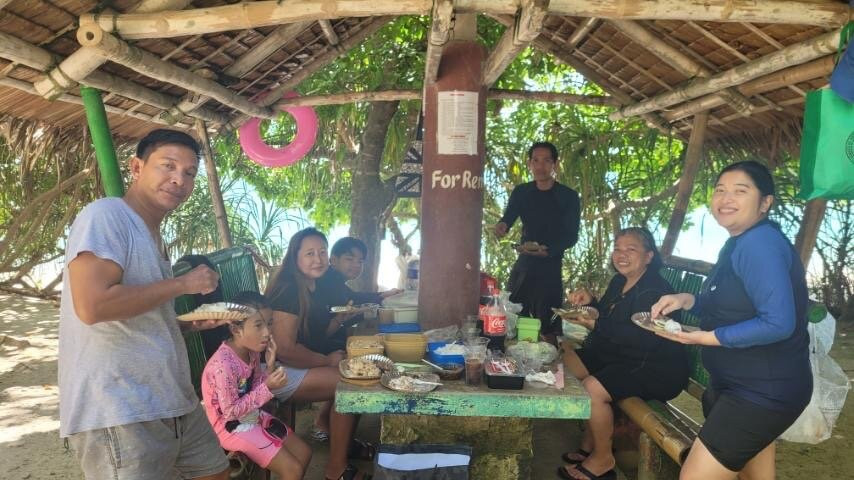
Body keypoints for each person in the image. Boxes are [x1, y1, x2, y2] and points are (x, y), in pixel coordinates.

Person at [59, 129, 231, 479]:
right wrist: (183, 283)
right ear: (137, 168)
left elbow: (132, 315)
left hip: (173, 400)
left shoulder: (152, 235)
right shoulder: (106, 216)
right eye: (167, 165)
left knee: (215, 471)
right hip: (121, 408)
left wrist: (183, 325)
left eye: (189, 172)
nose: (178, 179)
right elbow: (93, 306)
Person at [651, 161, 811, 480]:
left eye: (741, 191)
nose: (726, 198)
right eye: (720, 190)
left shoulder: (760, 244)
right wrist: (687, 300)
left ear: (765, 203)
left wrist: (704, 338)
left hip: (762, 392)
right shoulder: (738, 242)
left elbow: (778, 323)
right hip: (738, 384)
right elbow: (727, 304)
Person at [558, 227, 689, 480]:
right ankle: (591, 439)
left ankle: (603, 459)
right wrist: (591, 303)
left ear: (649, 256)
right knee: (569, 360)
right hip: (624, 355)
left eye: (631, 249)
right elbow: (608, 317)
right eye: (617, 248)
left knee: (592, 388)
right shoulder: (620, 280)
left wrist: (595, 324)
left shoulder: (655, 291)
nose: (622, 254)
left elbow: (644, 339)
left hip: (656, 366)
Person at [264, 227, 372, 480]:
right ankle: (336, 469)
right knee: (352, 384)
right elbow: (286, 349)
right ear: (295, 257)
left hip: (292, 365)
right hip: (274, 372)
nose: (319, 259)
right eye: (310, 253)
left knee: (354, 370)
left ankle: (342, 443)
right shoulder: (288, 289)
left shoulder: (313, 285)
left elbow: (313, 338)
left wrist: (338, 321)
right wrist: (326, 360)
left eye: (322, 252)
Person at [201, 291, 311, 480]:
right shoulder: (223, 365)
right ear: (236, 329)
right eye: (258, 326)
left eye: (269, 324)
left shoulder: (251, 351)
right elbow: (230, 412)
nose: (267, 333)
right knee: (292, 470)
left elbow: (253, 390)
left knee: (304, 452)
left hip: (250, 415)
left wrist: (269, 366)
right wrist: (268, 387)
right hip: (229, 426)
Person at [494, 141, 581, 339]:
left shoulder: (568, 196)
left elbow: (571, 236)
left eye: (546, 161)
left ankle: (550, 361)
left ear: (555, 164)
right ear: (529, 164)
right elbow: (508, 219)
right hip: (524, 263)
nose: (540, 166)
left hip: (550, 264)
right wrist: (502, 227)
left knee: (548, 324)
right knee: (513, 316)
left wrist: (548, 250)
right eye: (536, 161)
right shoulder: (522, 192)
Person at [315, 236, 403, 352]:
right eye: (349, 259)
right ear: (334, 260)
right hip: (321, 351)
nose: (356, 265)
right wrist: (378, 299)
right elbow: (349, 306)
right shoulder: (328, 281)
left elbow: (355, 296)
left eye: (360, 261)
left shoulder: (336, 280)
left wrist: (382, 295)